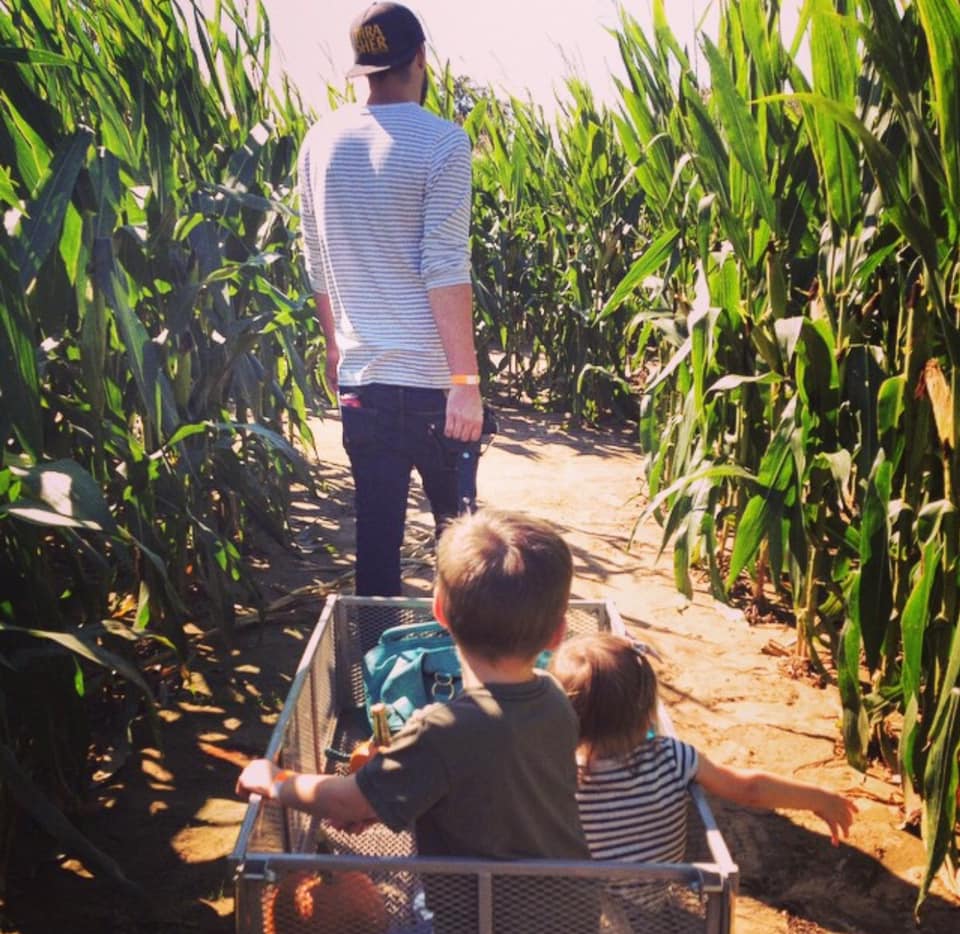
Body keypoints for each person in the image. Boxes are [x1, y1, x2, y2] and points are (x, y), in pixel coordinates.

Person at [237, 510, 596, 932]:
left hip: (480, 920)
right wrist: (392, 797)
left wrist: (276, 780)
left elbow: (345, 802)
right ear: (558, 632)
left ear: (439, 611)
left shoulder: (441, 729)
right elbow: (490, 787)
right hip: (573, 913)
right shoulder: (554, 699)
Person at [297, 2, 486, 596]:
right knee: (462, 552)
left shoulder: (319, 141)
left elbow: (315, 259)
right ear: (420, 59)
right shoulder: (444, 143)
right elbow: (445, 267)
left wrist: (334, 348)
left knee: (375, 550)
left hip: (364, 384)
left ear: (363, 69)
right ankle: (470, 679)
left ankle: (375, 676)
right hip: (435, 391)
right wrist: (465, 381)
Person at [550, 632, 858, 919]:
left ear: (565, 717)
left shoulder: (561, 776)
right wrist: (818, 799)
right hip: (654, 903)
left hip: (591, 911)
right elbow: (750, 788)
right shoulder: (673, 757)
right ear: (646, 711)